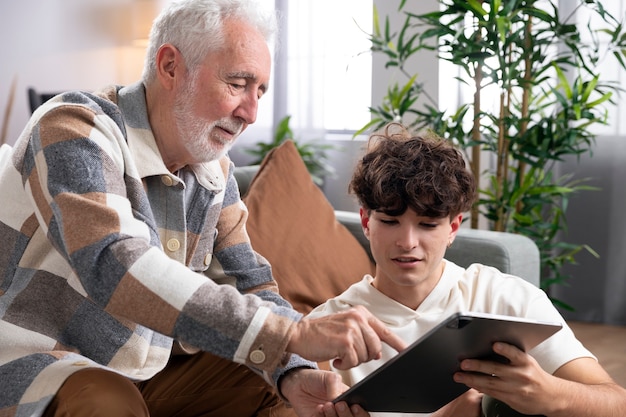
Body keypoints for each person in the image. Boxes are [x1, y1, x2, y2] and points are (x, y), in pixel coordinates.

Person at [0, 1, 406, 416]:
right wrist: (291, 333)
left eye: (260, 90)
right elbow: (115, 264)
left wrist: (294, 372)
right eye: (237, 83)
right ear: (171, 66)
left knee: (281, 378)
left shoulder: (214, 173)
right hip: (35, 363)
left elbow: (251, 285)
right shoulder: (73, 128)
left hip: (146, 371)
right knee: (108, 400)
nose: (250, 112)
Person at [307, 123, 626, 417]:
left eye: (428, 225)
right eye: (390, 222)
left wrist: (551, 394)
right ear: (366, 222)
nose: (407, 243)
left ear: (453, 227)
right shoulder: (324, 329)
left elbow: (615, 402)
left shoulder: (504, 297)